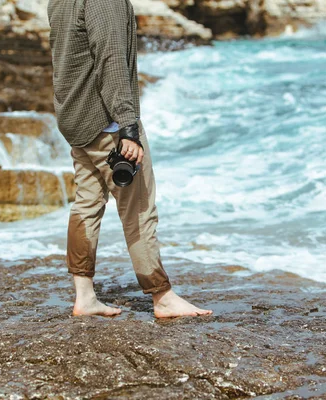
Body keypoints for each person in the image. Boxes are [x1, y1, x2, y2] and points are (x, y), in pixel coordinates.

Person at [48, 0, 212, 318]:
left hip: (76, 118)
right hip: (106, 122)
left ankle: (84, 297)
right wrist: (128, 128)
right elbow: (111, 63)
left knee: (87, 203)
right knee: (138, 208)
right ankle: (161, 296)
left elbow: (65, 58)